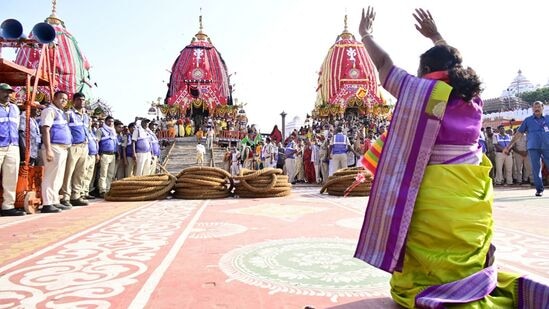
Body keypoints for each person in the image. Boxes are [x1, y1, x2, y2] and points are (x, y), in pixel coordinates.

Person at [354, 7, 548, 308]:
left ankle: (435, 290)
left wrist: (365, 34)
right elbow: (455, 65)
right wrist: (435, 36)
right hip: (472, 193)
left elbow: (383, 64)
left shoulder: (419, 91)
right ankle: (468, 281)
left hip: (434, 195)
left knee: (424, 253)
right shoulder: (473, 100)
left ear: (424, 72)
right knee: (468, 246)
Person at [505, 101, 549, 196]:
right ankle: (539, 189)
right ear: (532, 108)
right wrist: (509, 146)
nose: (536, 108)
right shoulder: (528, 120)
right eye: (534, 107)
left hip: (547, 146)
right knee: (535, 169)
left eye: (538, 106)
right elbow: (519, 134)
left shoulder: (548, 118)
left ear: (542, 107)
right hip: (533, 147)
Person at [40, 91, 72, 213]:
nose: (63, 101)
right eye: (61, 98)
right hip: (53, 147)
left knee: (58, 177)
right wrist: (48, 149)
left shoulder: (61, 113)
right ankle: (47, 203)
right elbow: (45, 130)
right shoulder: (49, 111)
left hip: (63, 148)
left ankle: (54, 201)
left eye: (65, 99)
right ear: (54, 98)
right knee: (50, 176)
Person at [60, 92, 90, 207]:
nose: (81, 102)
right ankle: (65, 196)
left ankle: (76, 195)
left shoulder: (86, 117)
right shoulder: (68, 114)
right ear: (74, 101)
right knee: (69, 172)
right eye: (79, 100)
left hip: (84, 146)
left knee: (81, 172)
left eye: (83, 100)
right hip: (73, 146)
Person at [0, 83, 25, 216]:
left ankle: (8, 206)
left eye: (10, 92)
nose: (8, 95)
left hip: (12, 146)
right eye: (4, 92)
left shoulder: (15, 108)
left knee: (11, 177)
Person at [96, 116, 118, 197]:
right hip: (104, 154)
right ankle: (102, 190)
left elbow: (115, 143)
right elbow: (97, 142)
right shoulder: (100, 130)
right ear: (105, 121)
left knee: (110, 174)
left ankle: (108, 189)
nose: (111, 123)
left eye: (112, 121)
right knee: (103, 174)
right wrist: (97, 153)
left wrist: (117, 153)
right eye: (109, 121)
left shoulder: (113, 131)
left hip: (112, 155)